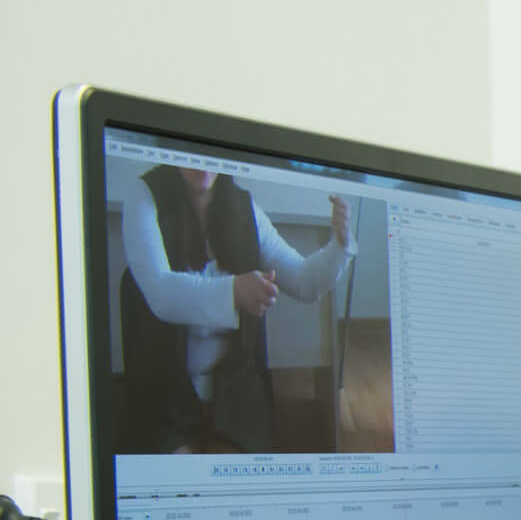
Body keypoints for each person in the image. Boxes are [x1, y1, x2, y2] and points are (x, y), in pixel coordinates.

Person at [116, 163, 355, 453]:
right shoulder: (144, 195)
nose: (200, 162)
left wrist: (339, 246)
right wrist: (234, 290)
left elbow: (305, 282)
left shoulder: (243, 207)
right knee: (181, 484)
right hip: (164, 390)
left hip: (233, 394)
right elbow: (161, 292)